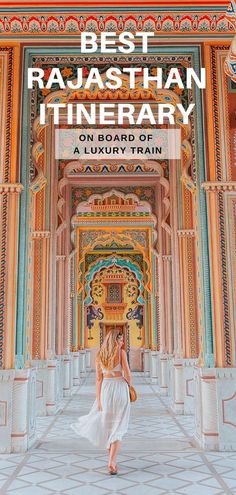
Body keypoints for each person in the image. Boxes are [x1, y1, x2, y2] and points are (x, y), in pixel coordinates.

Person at [71, 329, 131, 475]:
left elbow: (98, 379)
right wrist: (129, 387)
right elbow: (128, 374)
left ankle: (111, 456)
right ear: (115, 340)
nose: (122, 343)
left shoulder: (99, 356)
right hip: (119, 388)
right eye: (121, 340)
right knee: (118, 427)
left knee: (109, 425)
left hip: (105, 390)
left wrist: (99, 400)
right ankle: (111, 462)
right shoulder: (121, 353)